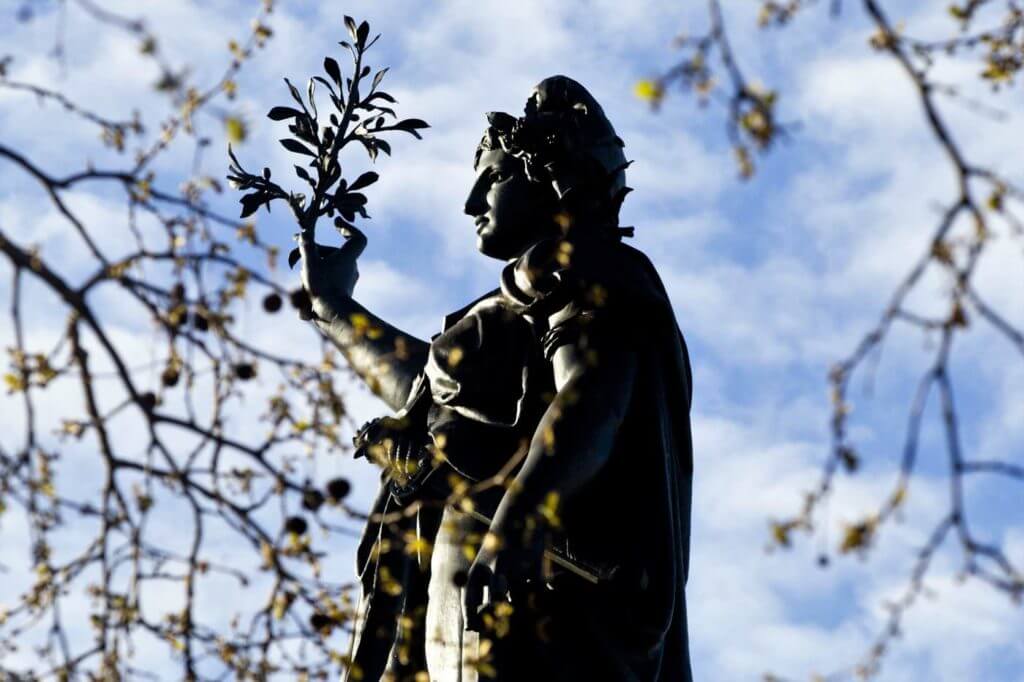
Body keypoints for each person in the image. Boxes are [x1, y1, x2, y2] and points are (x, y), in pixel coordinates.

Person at [298, 75, 693, 682]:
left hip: (536, 602)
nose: (472, 200)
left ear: (549, 176)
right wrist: (333, 308)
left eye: (494, 176)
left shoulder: (596, 276)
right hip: (464, 605)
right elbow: (433, 398)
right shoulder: (515, 308)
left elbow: (590, 403)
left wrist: (518, 521)